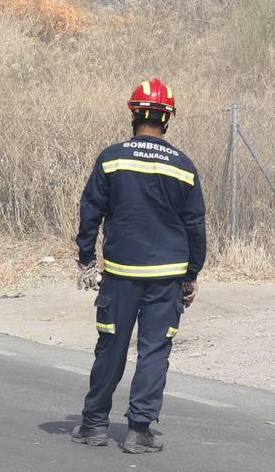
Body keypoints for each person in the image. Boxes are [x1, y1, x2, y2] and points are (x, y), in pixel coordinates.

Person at [71, 78, 206, 454]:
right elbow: (195, 223)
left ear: (133, 113)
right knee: (154, 352)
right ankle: (139, 432)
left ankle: (95, 425)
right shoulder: (182, 165)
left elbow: (91, 209)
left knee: (111, 347)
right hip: (167, 277)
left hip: (121, 275)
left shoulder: (112, 158)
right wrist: (192, 274)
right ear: (168, 119)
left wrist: (86, 257)